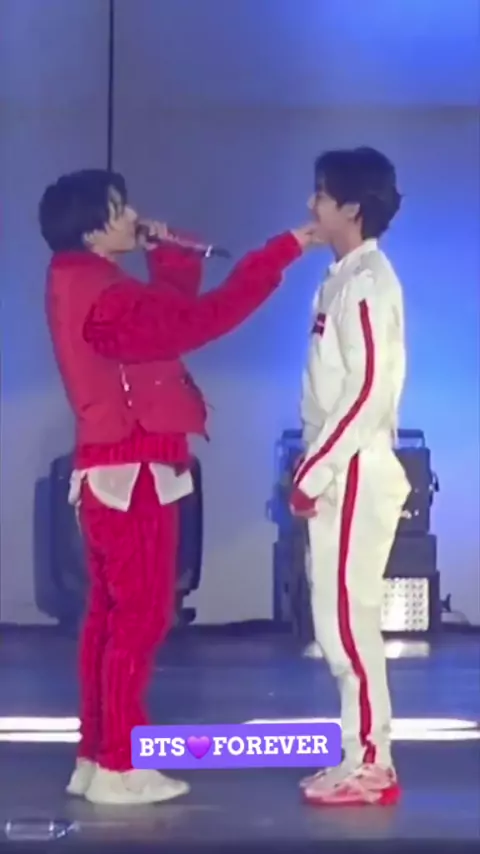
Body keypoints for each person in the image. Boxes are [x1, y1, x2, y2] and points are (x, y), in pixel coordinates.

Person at [39, 168, 321, 806]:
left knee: (112, 617)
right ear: (91, 229)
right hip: (133, 467)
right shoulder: (103, 293)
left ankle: (97, 755)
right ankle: (118, 764)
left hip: (118, 465)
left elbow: (163, 321)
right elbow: (199, 320)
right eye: (118, 209)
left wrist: (172, 256)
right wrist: (279, 254)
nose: (131, 215)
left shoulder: (83, 281)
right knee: (138, 617)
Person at [289, 147, 411, 807]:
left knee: (348, 619)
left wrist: (317, 468)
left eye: (322, 194)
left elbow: (368, 390)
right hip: (341, 464)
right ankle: (359, 754)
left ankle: (370, 762)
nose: (312, 204)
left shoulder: (366, 281)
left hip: (356, 466)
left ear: (351, 208)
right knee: (337, 619)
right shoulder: (340, 278)